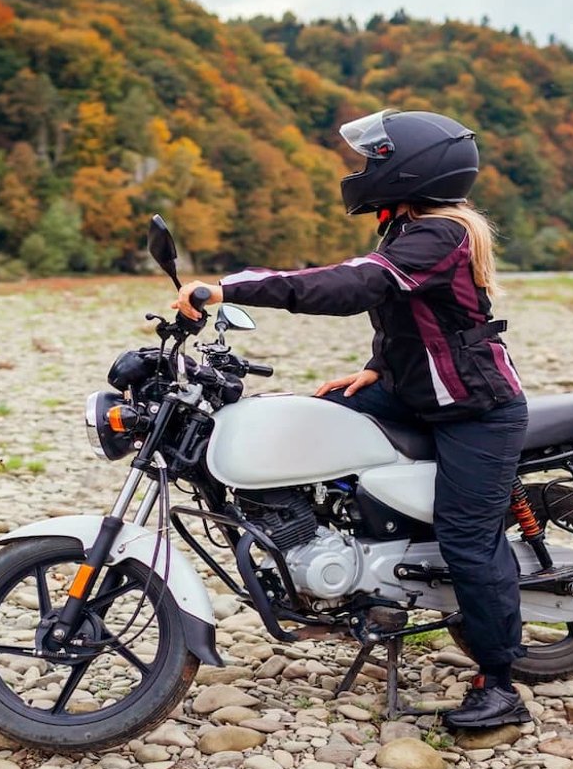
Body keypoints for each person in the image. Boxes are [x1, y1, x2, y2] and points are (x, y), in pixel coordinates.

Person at [171, 109, 530, 729]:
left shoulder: (442, 234)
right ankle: (337, 555)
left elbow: (354, 286)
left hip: (475, 408)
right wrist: (376, 369)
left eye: (373, 160)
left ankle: (499, 684)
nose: (362, 171)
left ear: (412, 169)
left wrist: (231, 287)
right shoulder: (409, 228)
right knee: (303, 425)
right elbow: (411, 317)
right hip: (412, 392)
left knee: (467, 540)